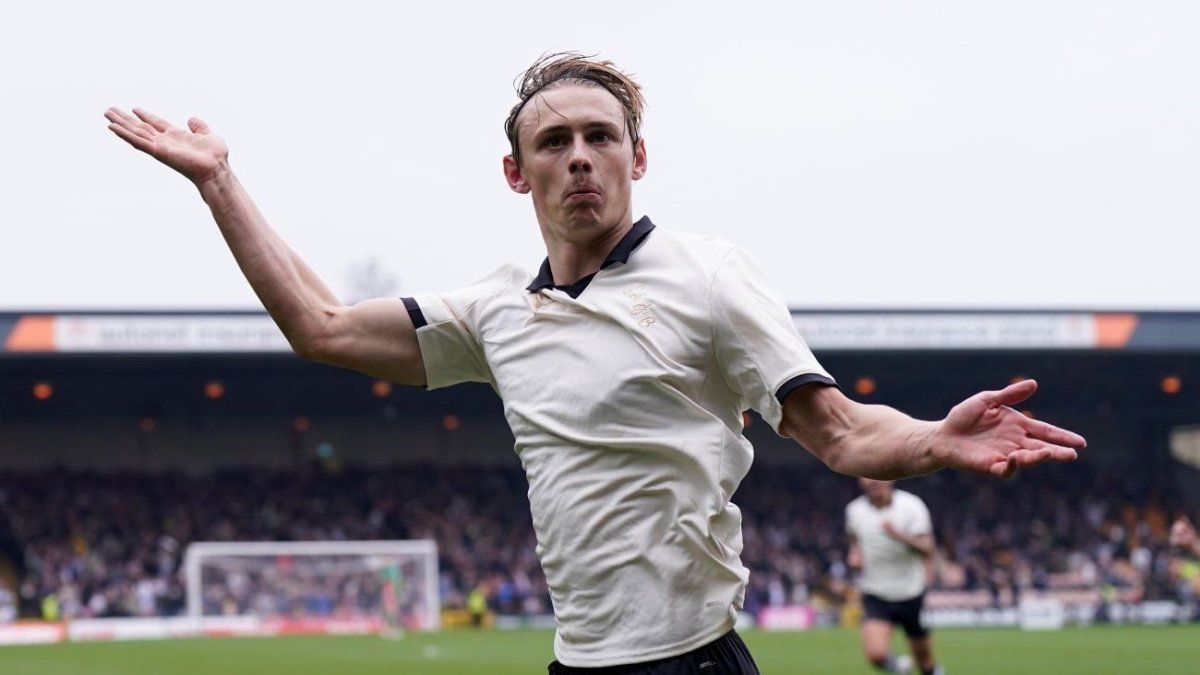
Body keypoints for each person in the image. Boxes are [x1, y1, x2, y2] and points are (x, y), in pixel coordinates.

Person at [105, 52, 1086, 674]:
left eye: (600, 137)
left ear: (638, 158)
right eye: (555, 140)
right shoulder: (493, 309)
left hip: (692, 662)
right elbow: (319, 326)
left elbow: (834, 430)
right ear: (515, 171)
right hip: (579, 664)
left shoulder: (709, 277)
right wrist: (220, 183)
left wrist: (933, 438)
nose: (580, 155)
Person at [846, 478, 941, 675]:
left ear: (890, 478)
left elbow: (928, 548)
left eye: (878, 478)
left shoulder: (911, 505)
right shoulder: (854, 510)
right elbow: (855, 541)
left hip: (910, 592)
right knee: (876, 654)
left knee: (925, 663)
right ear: (861, 482)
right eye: (867, 477)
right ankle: (900, 669)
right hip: (876, 592)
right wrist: (855, 556)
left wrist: (899, 535)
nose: (874, 481)